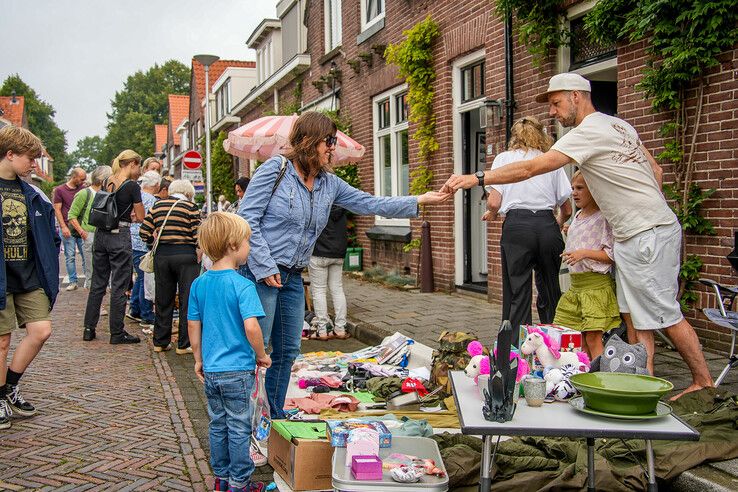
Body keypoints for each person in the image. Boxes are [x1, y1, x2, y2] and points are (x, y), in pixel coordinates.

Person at [442, 72, 713, 399]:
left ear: (576, 96)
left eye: (556, 103)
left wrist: (478, 177)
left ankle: (703, 382)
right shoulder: (619, 125)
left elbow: (531, 168)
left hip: (646, 232)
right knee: (637, 320)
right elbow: (656, 171)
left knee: (663, 313)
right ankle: (644, 387)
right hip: (634, 232)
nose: (552, 113)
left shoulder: (588, 131)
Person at [238, 111, 450, 418]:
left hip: (294, 277)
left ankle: (272, 415)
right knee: (257, 351)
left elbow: (371, 203)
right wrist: (265, 265)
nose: (332, 148)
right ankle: (243, 421)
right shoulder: (276, 169)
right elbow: (247, 220)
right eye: (329, 141)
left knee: (288, 351)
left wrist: (419, 200)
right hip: (261, 274)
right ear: (310, 140)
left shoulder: (330, 184)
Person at [188, 212, 270, 492]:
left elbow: (192, 325)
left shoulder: (199, 284)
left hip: (211, 370)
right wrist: (261, 353)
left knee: (217, 423)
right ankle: (240, 483)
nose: (250, 247)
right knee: (238, 426)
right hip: (237, 370)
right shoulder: (243, 285)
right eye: (248, 241)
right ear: (234, 245)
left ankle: (220, 479)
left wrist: (198, 359)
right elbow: (252, 327)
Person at [481, 116, 571, 346]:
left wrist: (492, 214)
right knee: (550, 287)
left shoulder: (503, 159)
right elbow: (567, 208)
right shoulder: (549, 161)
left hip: (517, 228)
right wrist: (557, 224)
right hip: (546, 225)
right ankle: (554, 344)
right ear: (542, 135)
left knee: (517, 289)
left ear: (514, 136)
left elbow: (494, 202)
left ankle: (516, 349)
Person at [0, 126, 60, 429]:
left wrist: (47, 263)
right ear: (10, 154)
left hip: (28, 275)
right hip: (2, 276)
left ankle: (10, 385)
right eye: (30, 159)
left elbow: (52, 235)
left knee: (41, 330)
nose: (34, 165)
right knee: (2, 340)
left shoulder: (33, 194)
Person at [553, 171, 620, 359]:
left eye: (580, 188)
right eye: (573, 188)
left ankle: (600, 378)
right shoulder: (578, 216)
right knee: (577, 338)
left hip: (595, 287)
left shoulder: (602, 218)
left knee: (593, 338)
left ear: (595, 190)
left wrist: (583, 253)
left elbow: (610, 255)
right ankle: (584, 372)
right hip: (577, 287)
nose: (574, 193)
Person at [82, 150, 144, 344]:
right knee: (119, 285)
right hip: (120, 236)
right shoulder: (132, 186)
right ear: (133, 163)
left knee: (98, 284)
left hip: (101, 235)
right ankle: (116, 333)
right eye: (138, 166)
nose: (139, 170)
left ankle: (88, 329)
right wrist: (132, 216)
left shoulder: (107, 180)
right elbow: (141, 216)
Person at [140, 179, 201, 354]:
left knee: (163, 299)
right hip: (186, 257)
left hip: (163, 256)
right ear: (188, 194)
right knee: (186, 300)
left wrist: (154, 243)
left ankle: (160, 342)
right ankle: (184, 344)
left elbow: (144, 232)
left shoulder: (158, 206)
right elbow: (197, 235)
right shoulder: (190, 207)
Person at [68, 165, 112, 291]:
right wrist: (83, 232)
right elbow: (72, 215)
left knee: (106, 273)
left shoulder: (109, 194)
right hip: (90, 235)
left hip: (106, 235)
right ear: (103, 179)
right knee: (91, 273)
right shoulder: (84, 193)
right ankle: (95, 306)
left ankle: (104, 303)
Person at [308, 205, 349, 340]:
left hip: (318, 253)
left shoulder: (317, 203)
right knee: (337, 290)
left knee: (319, 291)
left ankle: (322, 330)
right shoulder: (342, 205)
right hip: (338, 253)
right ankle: (340, 329)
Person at [127, 170, 160, 329]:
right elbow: (153, 224)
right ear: (156, 185)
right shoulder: (152, 200)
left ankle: (134, 308)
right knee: (145, 277)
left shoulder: (135, 195)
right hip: (143, 242)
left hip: (130, 239)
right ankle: (145, 313)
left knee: (139, 277)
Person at [53, 167, 88, 291]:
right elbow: (57, 209)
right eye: (82, 179)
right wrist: (63, 227)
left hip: (81, 228)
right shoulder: (60, 190)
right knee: (70, 255)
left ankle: (88, 280)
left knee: (86, 255)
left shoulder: (84, 190)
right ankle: (73, 281)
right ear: (74, 177)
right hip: (68, 227)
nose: (84, 181)